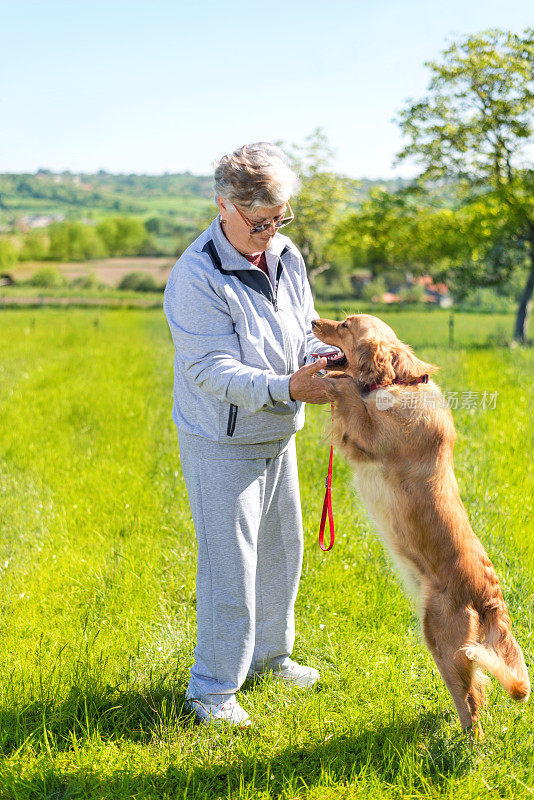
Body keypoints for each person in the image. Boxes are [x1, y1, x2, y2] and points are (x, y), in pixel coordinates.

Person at [163, 142, 332, 728]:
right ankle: (210, 691)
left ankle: (269, 658)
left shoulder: (285, 255)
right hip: (221, 440)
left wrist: (326, 358)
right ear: (223, 206)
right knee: (230, 566)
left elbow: (302, 330)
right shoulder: (196, 275)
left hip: (279, 430)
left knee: (282, 555)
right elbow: (210, 370)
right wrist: (289, 385)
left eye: (280, 219)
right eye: (259, 222)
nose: (271, 232)